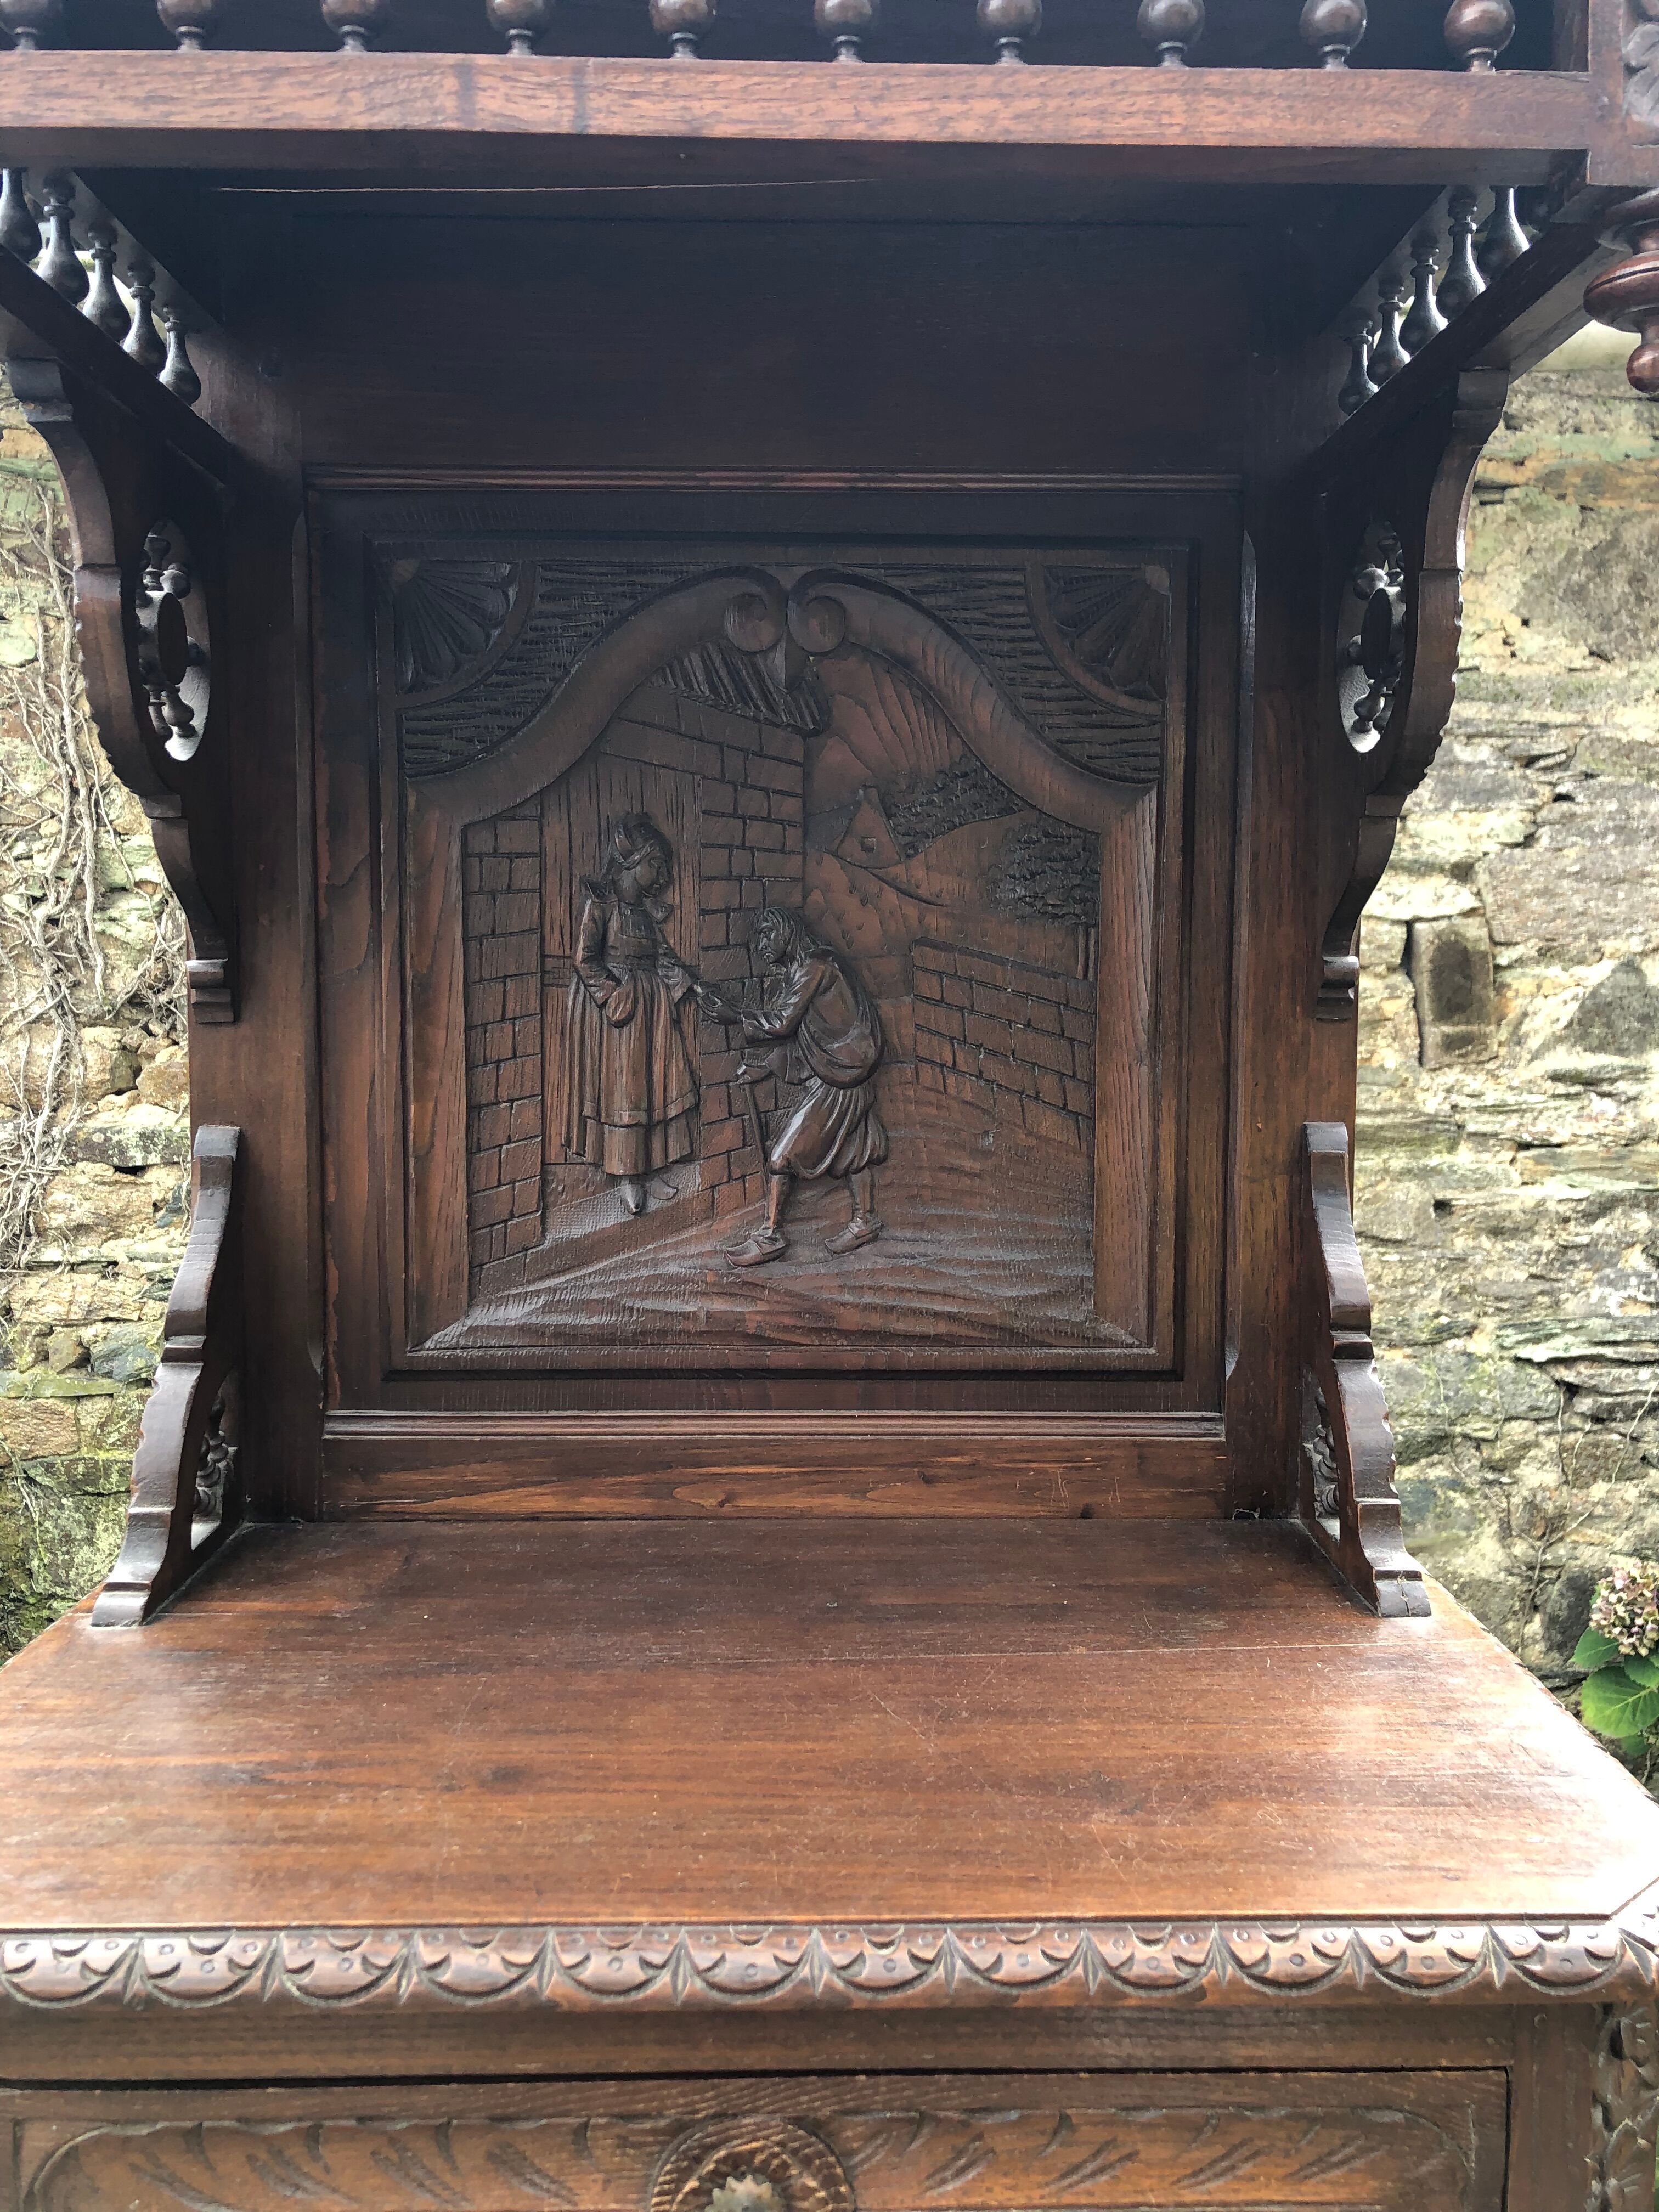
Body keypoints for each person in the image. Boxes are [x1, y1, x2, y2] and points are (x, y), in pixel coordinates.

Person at [696, 906, 888, 1268]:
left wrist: (735, 1013)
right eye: (758, 937)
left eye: (768, 934)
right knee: (855, 1147)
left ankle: (771, 1235)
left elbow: (784, 1023)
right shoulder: (808, 969)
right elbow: (808, 1035)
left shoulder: (815, 966)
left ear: (787, 930)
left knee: (781, 1157)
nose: (762, 945)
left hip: (844, 1071)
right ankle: (865, 1220)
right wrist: (765, 1068)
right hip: (847, 1067)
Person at [565, 815, 699, 1217]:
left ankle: (651, 1165)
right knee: (627, 1092)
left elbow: (661, 956)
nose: (663, 874)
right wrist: (611, 996)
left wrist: (691, 985)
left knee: (655, 1087)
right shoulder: (601, 904)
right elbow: (585, 959)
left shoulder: (644, 912)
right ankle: (627, 1175)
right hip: (619, 1014)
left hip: (652, 1010)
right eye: (656, 864)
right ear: (632, 863)